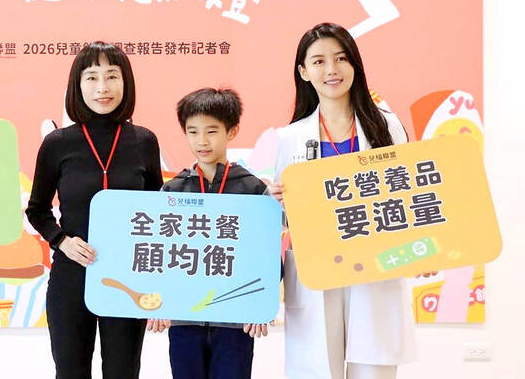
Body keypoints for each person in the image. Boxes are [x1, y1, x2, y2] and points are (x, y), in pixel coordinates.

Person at [271, 23, 419, 379]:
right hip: (317, 268)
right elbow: (285, 217)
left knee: (374, 368)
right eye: (319, 61)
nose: (332, 70)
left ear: (355, 64)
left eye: (341, 59)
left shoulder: (387, 127)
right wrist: (277, 199)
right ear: (304, 72)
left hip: (375, 264)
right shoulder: (291, 137)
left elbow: (407, 196)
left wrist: (423, 250)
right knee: (316, 368)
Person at [26, 41, 163, 379]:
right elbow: (37, 209)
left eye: (112, 76)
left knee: (123, 371)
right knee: (70, 372)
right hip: (72, 276)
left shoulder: (144, 141)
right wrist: (62, 241)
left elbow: (159, 212)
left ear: (126, 82)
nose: (103, 87)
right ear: (77, 85)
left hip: (128, 277)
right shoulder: (57, 143)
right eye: (92, 77)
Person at [146, 87, 271, 379]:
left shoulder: (253, 189)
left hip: (236, 321)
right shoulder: (173, 191)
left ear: (232, 131)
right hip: (184, 319)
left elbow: (264, 254)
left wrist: (260, 306)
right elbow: (159, 252)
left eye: (212, 131)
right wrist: (158, 300)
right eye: (193, 132)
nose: (201, 141)